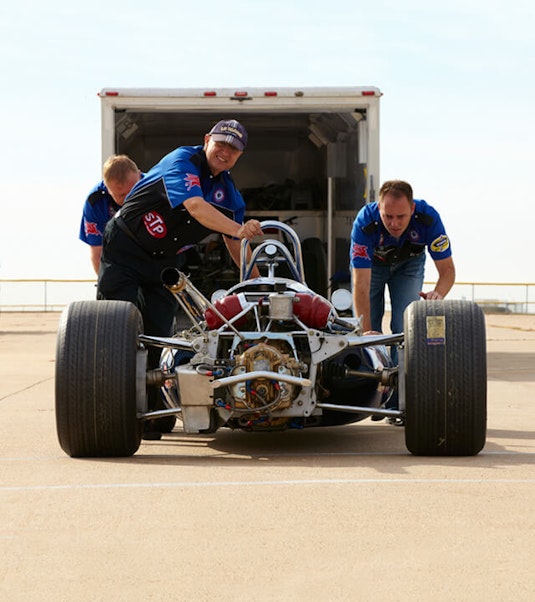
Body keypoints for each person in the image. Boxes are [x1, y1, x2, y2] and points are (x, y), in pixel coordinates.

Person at [97, 119, 263, 437]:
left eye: (233, 148)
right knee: (118, 326)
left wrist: (259, 288)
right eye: (221, 144)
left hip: (163, 261)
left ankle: (148, 411)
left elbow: (236, 245)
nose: (225, 152)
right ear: (206, 141)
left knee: (159, 333)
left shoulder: (229, 195)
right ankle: (109, 408)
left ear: (240, 155)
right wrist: (239, 229)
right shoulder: (182, 160)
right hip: (125, 248)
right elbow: (196, 207)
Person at [350, 179, 455, 340]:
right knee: (368, 324)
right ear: (379, 208)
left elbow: (447, 270)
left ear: (412, 209)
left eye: (401, 216)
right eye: (388, 216)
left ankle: (403, 363)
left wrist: (437, 294)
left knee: (406, 325)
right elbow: (361, 284)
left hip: (409, 266)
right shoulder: (365, 222)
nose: (394, 223)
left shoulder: (428, 219)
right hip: (372, 267)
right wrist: (366, 338)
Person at [79, 155, 142, 274]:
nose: (129, 198)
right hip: (121, 260)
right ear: (107, 188)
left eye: (134, 190)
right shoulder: (96, 202)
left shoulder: (157, 187)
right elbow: (98, 254)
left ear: (139, 175)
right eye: (121, 195)